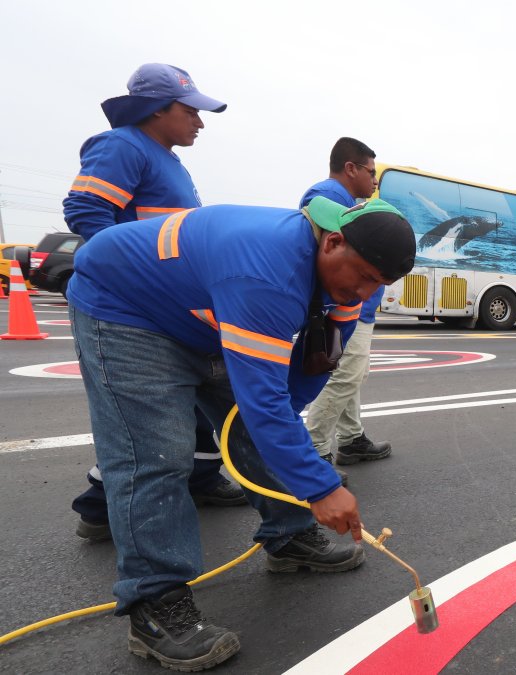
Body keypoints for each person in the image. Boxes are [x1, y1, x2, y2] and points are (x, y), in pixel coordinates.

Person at [68, 197, 416, 670]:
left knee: (259, 426)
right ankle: (155, 604)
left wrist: (284, 445)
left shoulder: (355, 278)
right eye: (364, 277)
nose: (365, 292)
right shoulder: (266, 271)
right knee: (157, 457)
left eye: (380, 284)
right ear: (332, 242)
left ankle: (289, 535)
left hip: (203, 314)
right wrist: (319, 485)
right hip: (127, 309)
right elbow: (265, 403)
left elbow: (314, 364)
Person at [61, 63, 245, 542]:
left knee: (195, 408)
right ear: (156, 110)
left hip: (170, 306)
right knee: (147, 429)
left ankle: (202, 480)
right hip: (137, 310)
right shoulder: (124, 145)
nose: (199, 123)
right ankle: (99, 508)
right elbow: (85, 209)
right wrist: (136, 277)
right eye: (190, 112)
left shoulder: (165, 155)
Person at [302, 138, 393, 467]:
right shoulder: (327, 196)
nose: (374, 180)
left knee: (351, 375)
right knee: (345, 376)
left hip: (356, 306)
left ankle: (351, 439)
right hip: (345, 307)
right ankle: (313, 450)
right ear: (350, 168)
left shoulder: (343, 198)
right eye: (371, 172)